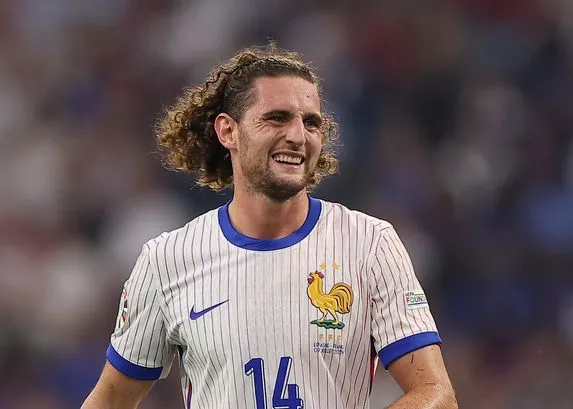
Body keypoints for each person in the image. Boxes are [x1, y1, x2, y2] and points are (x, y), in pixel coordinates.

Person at [81, 43, 458, 409]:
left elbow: (436, 395)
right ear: (228, 131)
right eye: (277, 118)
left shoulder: (370, 244)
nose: (297, 136)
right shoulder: (167, 260)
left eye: (311, 122)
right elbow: (111, 400)